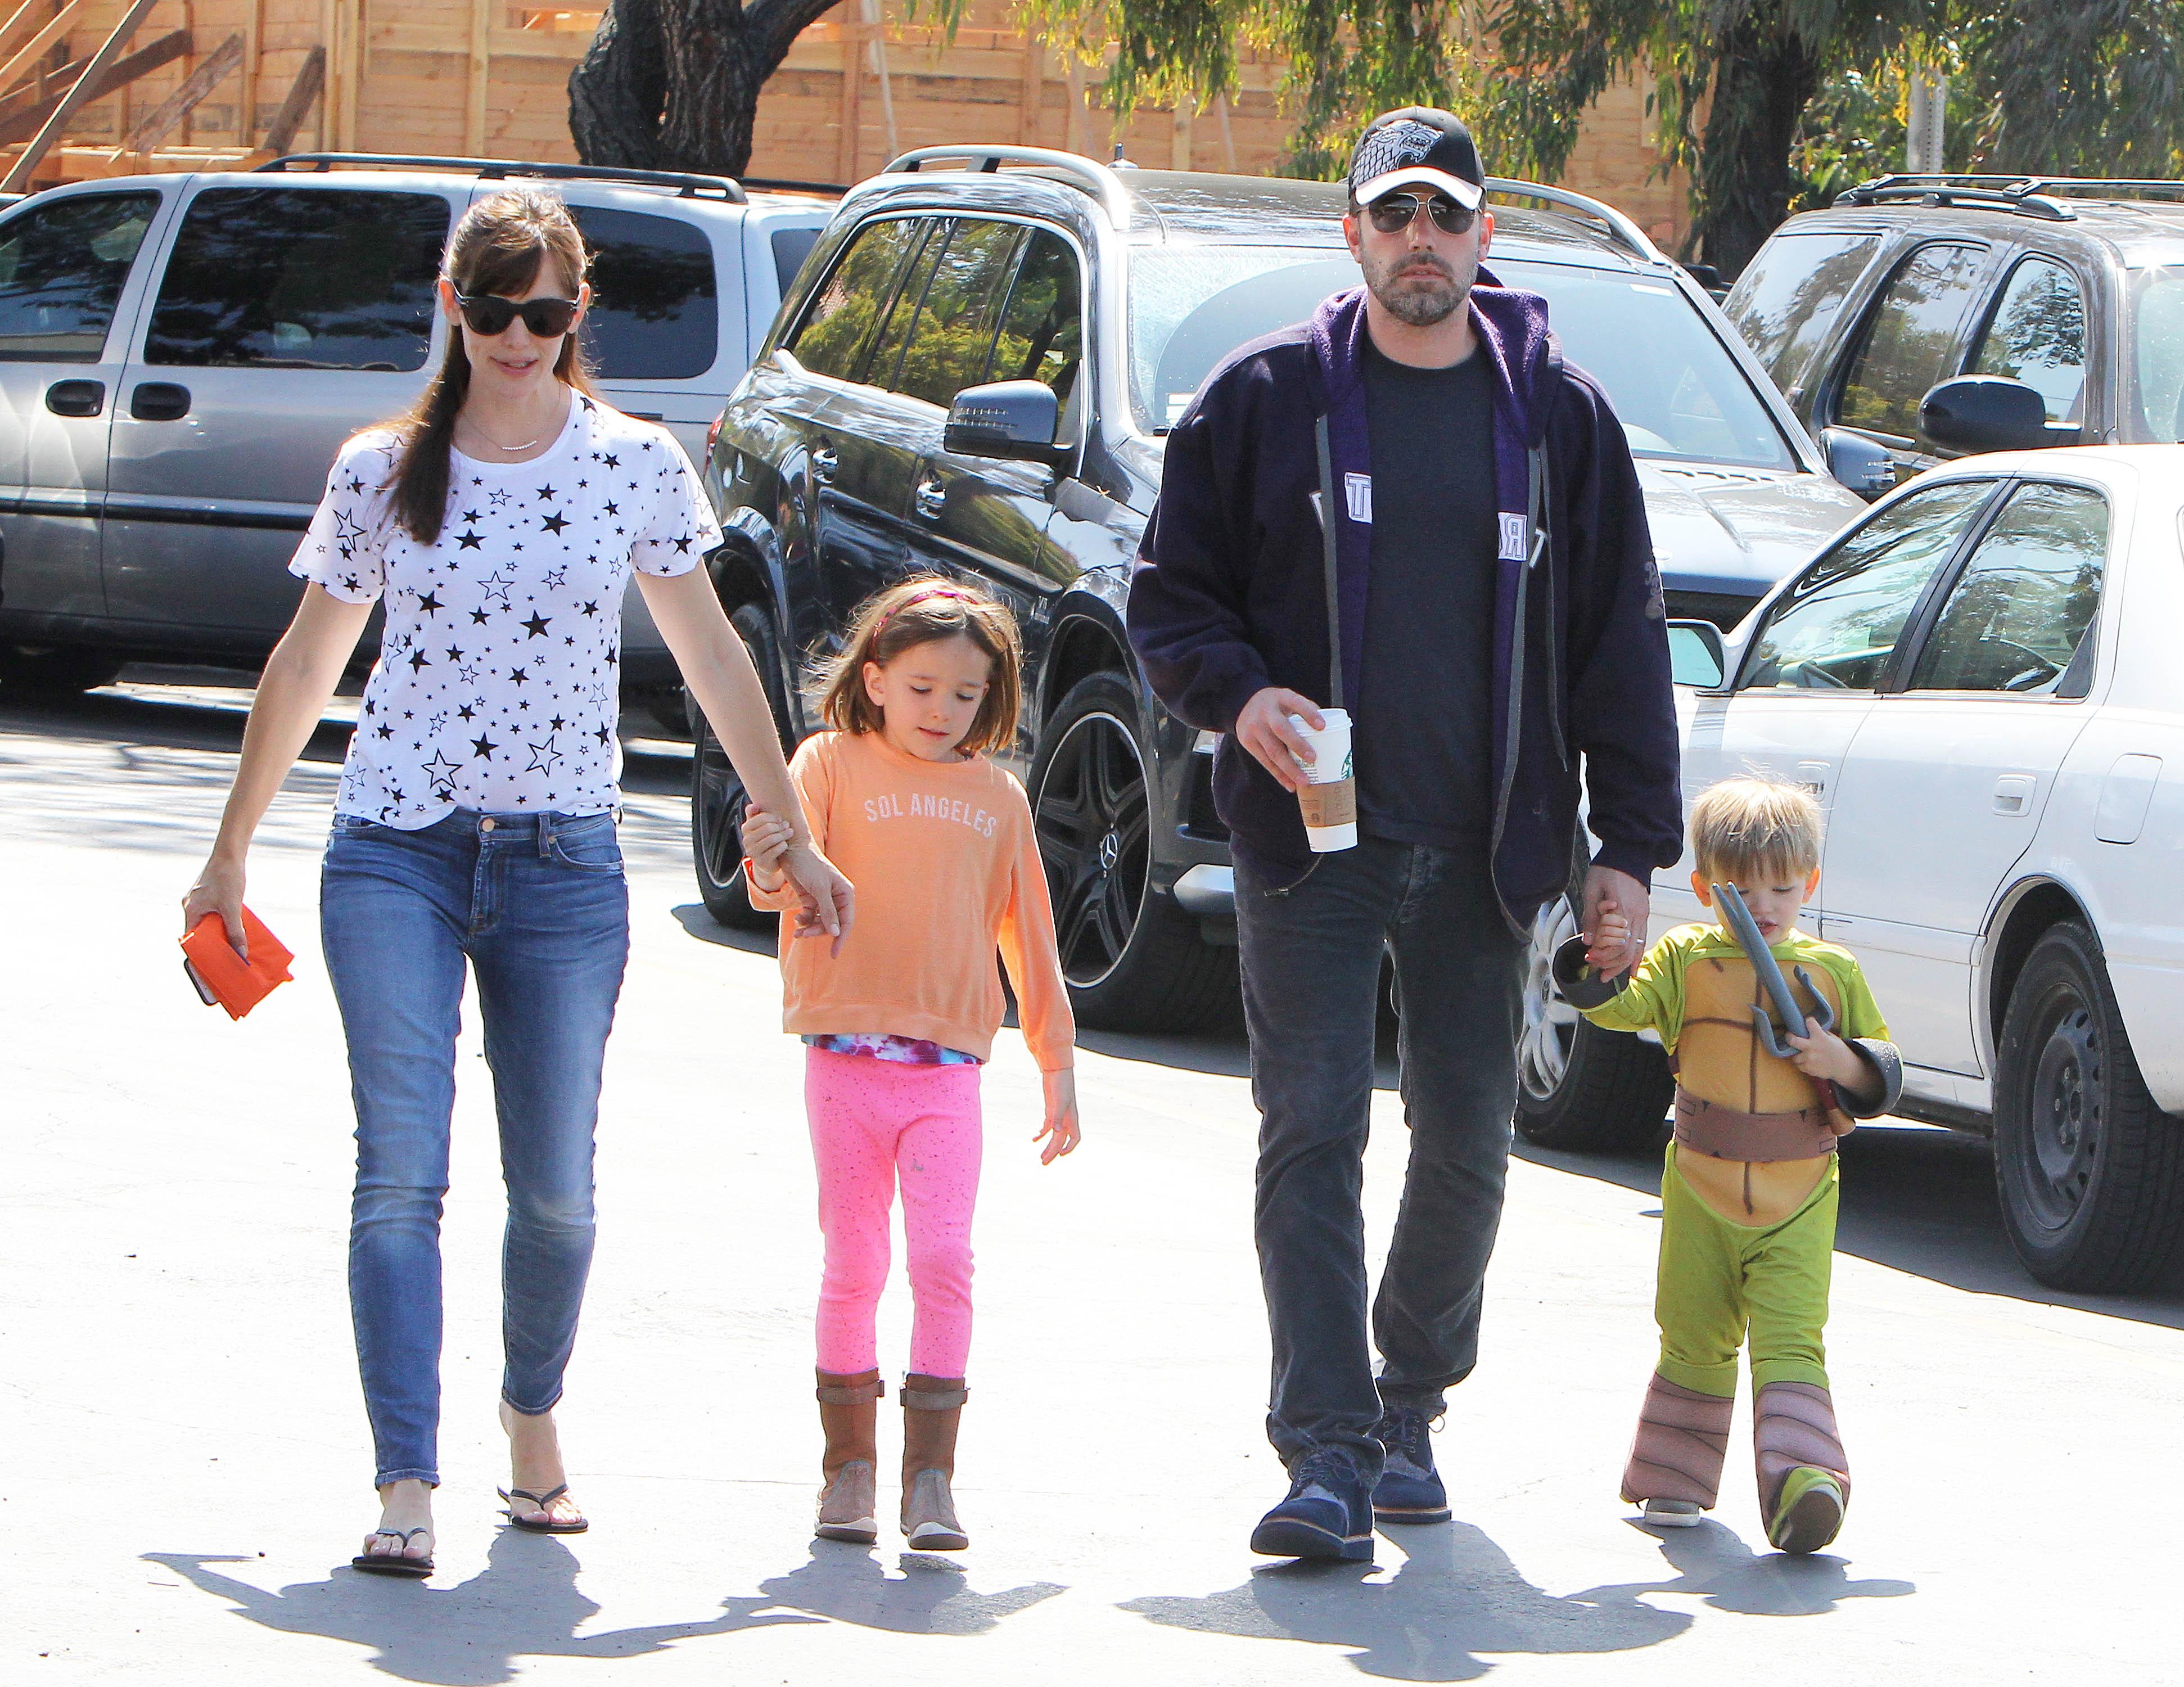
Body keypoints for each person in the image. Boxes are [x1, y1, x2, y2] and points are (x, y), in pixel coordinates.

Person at [181, 186, 852, 1579]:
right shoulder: (382, 467)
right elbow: (309, 660)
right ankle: (406, 1479)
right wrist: (230, 846)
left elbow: (717, 657)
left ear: (576, 316)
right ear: (453, 308)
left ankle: (531, 1418)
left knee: (554, 1192)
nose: (515, 335)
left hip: (560, 859)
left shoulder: (634, 464)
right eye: (490, 308)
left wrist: (789, 825)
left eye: (543, 311)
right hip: (394, 850)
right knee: (398, 1176)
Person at [1127, 106, 1681, 1561]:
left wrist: (1623, 852)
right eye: (1394, 217)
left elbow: (1622, 640)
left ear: (1485, 235)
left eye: (1445, 216)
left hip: (1491, 843)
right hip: (1310, 846)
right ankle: (1323, 1454)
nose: (1419, 242)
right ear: (1352, 232)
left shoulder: (1558, 419)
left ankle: (1409, 1405)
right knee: (1309, 1129)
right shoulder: (1263, 402)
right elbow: (1168, 604)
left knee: (1467, 1143)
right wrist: (1240, 701)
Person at [739, 575, 1082, 1552]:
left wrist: (1056, 1061)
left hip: (947, 1073)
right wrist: (768, 853)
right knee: (854, 1261)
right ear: (877, 678)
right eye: (923, 686)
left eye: (968, 695)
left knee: (943, 1260)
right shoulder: (828, 764)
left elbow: (1033, 938)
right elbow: (772, 883)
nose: (944, 711)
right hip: (843, 1060)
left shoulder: (997, 797)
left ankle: (930, 1481)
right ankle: (847, 1473)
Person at [1580, 777, 1901, 1554]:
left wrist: (1838, 1057)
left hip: (1800, 1193)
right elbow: (1617, 1008)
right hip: (1699, 1186)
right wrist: (1604, 961)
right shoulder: (1686, 961)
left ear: (1810, 884)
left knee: (1793, 1340)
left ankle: (1806, 1485)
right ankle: (1674, 1476)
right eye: (1740, 889)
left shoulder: (1833, 972)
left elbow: (1882, 1073)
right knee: (1692, 1332)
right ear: (1702, 887)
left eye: (1783, 888)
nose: (1764, 905)